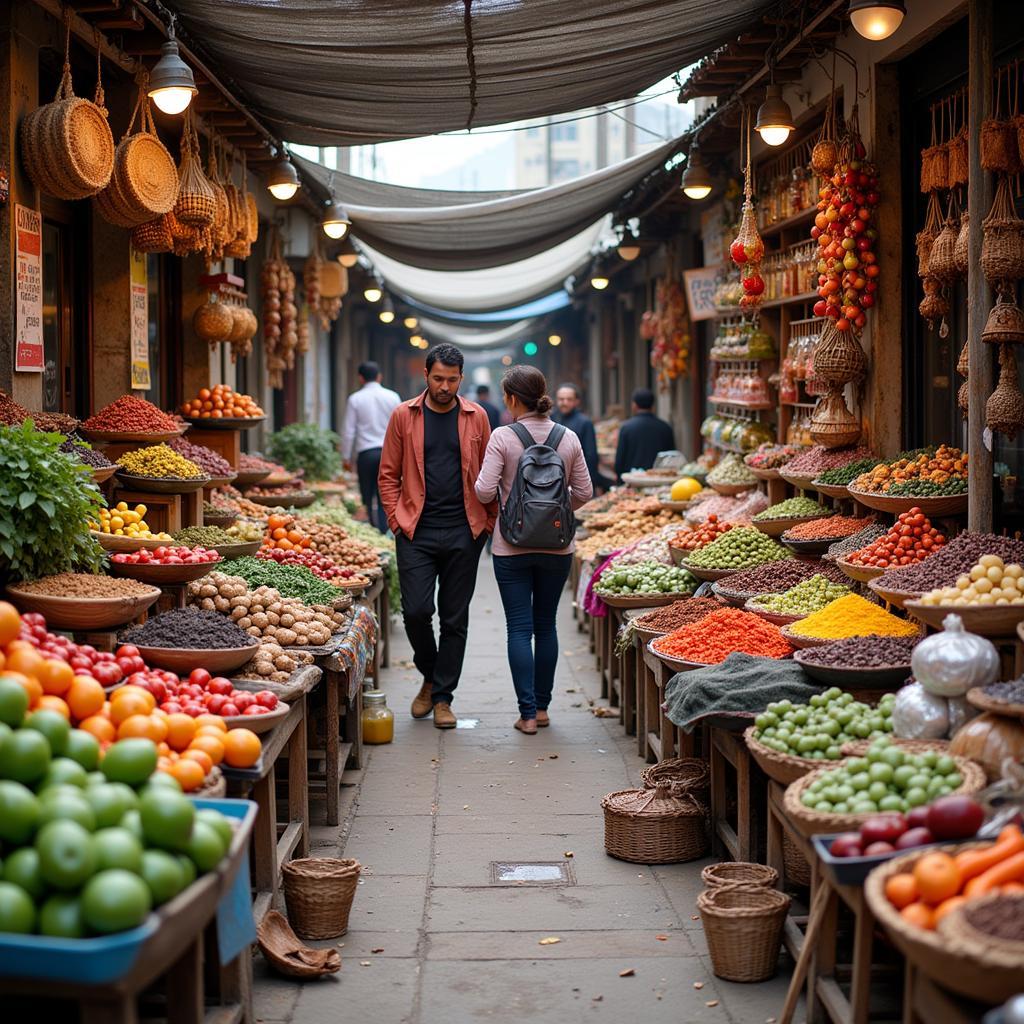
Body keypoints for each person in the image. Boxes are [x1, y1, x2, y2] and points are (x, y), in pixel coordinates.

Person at [378, 343, 495, 729]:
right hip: (416, 531)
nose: (445, 386)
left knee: (455, 618)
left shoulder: (476, 417)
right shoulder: (403, 415)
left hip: (465, 530)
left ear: (461, 378)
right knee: (415, 612)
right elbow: (388, 473)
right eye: (438, 378)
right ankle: (430, 674)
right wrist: (396, 519)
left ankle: (443, 697)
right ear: (425, 376)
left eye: (452, 379)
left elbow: (488, 473)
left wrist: (487, 524)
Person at [475, 366, 592, 734]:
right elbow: (585, 493)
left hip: (511, 547)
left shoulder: (503, 437)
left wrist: (516, 509)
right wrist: (555, 513)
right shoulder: (568, 436)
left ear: (511, 399)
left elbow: (482, 490)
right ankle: (542, 709)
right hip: (558, 549)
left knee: (519, 628)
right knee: (546, 625)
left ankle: (526, 715)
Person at [340, 361, 401, 533]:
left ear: (360, 378)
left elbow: (349, 431)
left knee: (367, 496)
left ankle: (372, 530)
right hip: (388, 454)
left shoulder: (355, 399)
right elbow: (401, 428)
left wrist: (345, 457)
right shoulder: (393, 397)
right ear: (379, 377)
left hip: (366, 454)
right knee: (386, 496)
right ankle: (385, 531)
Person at [553, 382, 613, 492]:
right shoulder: (550, 419)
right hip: (553, 480)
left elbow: (591, 455)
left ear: (577, 401)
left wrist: (587, 483)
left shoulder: (585, 422)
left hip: (576, 479)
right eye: (561, 399)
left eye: (569, 399)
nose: (564, 402)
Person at [614, 387, 675, 481]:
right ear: (652, 406)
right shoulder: (665, 427)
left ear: (634, 405)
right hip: (660, 482)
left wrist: (620, 480)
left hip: (633, 481)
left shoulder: (626, 428)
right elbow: (671, 457)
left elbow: (619, 461)